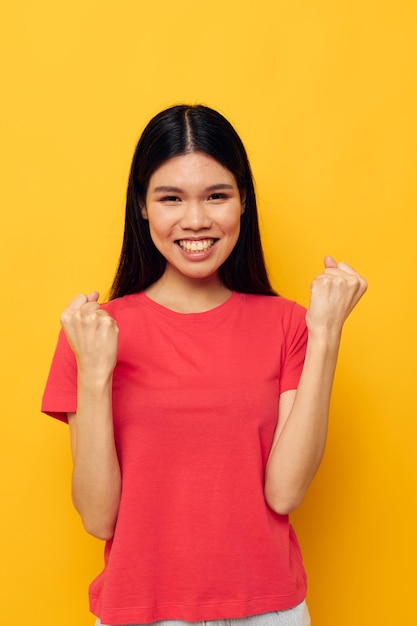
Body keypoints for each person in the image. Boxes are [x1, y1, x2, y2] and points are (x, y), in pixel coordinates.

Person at [41, 104, 367, 626]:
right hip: (140, 610)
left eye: (217, 195)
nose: (196, 220)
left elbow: (284, 492)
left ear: (243, 203)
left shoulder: (290, 325)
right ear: (142, 208)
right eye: (171, 198)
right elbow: (99, 519)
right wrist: (97, 375)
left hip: (269, 610)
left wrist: (326, 335)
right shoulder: (94, 332)